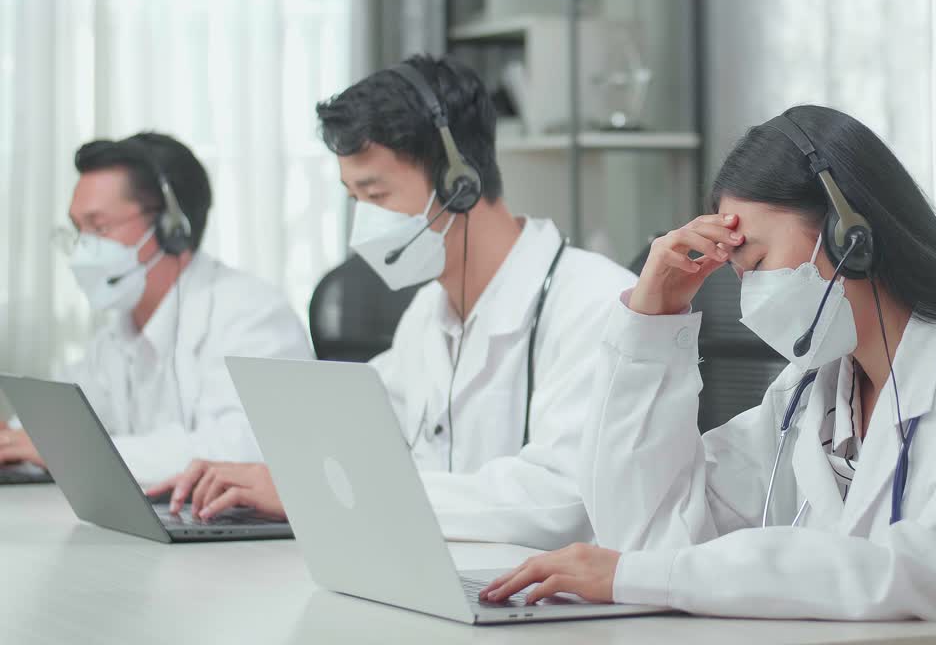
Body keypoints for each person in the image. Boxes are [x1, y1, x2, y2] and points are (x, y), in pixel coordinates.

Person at [479, 106, 936, 643]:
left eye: (757, 258)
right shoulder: (812, 391)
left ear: (850, 232)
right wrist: (653, 319)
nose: (747, 293)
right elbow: (647, 537)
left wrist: (642, 577)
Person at [150, 54, 637, 549]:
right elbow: (358, 443)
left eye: (376, 194)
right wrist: (271, 476)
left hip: (552, 612)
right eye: (353, 198)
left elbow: (559, 503)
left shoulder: (596, 305)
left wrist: (308, 491)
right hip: (436, 581)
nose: (363, 223)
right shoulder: (429, 314)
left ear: (459, 184)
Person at [0, 133, 312, 485]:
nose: (82, 249)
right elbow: (59, 422)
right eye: (78, 230)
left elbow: (241, 452)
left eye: (99, 227)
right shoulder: (118, 331)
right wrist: (15, 437)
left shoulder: (253, 314)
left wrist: (62, 450)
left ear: (170, 227)